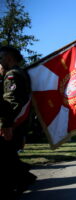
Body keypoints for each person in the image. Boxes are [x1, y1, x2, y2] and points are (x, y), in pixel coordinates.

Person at [0, 46, 36, 198]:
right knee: (8, 156)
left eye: (1, 58)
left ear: (9, 58)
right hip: (16, 123)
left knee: (5, 158)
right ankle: (23, 177)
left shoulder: (12, 75)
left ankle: (18, 181)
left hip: (12, 123)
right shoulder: (17, 73)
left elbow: (11, 101)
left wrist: (5, 124)